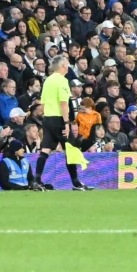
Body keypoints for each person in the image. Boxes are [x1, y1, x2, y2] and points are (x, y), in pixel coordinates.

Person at [36, 55, 88, 190]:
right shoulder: (62, 81)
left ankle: (36, 180)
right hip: (59, 119)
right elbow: (64, 103)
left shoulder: (47, 80)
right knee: (70, 149)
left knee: (45, 149)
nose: (68, 66)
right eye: (67, 64)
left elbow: (43, 102)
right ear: (63, 66)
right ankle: (76, 183)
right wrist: (66, 123)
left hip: (47, 118)